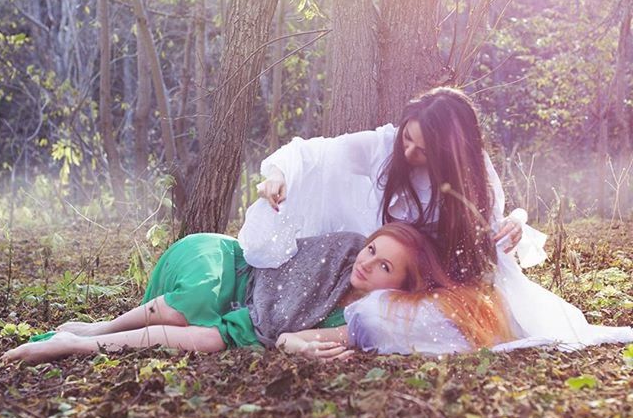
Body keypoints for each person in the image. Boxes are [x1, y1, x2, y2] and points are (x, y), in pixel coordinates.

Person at [239, 87, 633, 353]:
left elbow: (491, 228)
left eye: (422, 149)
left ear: (449, 152)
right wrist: (279, 175)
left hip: (441, 285)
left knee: (439, 321)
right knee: (374, 309)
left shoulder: (472, 172)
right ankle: (296, 339)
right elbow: (314, 154)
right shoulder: (382, 148)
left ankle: (314, 339)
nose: (409, 151)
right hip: (390, 278)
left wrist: (511, 224)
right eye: (407, 139)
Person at [4, 224, 464, 364]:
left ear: (400, 288)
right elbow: (285, 263)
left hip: (244, 314)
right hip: (225, 263)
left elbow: (286, 339)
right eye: (371, 249)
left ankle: (76, 344)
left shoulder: (356, 321)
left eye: (384, 266)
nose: (365, 262)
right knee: (196, 305)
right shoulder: (342, 250)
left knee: (210, 336)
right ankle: (100, 327)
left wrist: (296, 342)